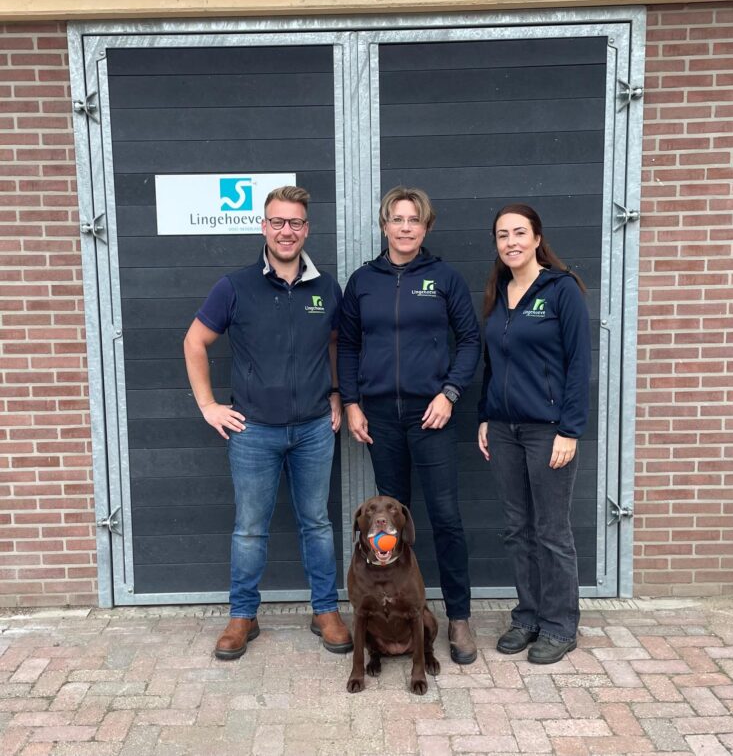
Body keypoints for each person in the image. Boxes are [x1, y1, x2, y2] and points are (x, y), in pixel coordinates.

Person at [183, 185, 352, 660]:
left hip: (314, 428)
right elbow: (194, 342)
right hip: (253, 431)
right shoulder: (235, 286)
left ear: (307, 229)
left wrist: (336, 392)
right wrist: (208, 406)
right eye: (277, 222)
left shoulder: (326, 288)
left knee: (317, 523)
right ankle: (243, 616)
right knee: (250, 528)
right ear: (264, 227)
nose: (286, 231)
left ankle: (325, 610)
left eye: (295, 222)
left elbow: (335, 343)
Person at [338, 186, 481, 664]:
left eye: (414, 220)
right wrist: (352, 402)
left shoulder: (445, 278)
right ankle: (389, 612)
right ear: (384, 225)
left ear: (426, 227)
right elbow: (348, 346)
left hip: (431, 415)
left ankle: (458, 617)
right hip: (380, 418)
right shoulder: (362, 281)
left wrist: (449, 393)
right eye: (397, 219)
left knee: (446, 518)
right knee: (386, 528)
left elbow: (470, 341)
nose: (405, 227)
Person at [477, 203, 590, 665]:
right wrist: (485, 416)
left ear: (537, 238)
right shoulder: (498, 292)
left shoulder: (562, 290)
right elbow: (492, 364)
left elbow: (579, 364)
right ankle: (527, 617)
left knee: (551, 530)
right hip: (504, 430)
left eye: (520, 232)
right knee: (517, 527)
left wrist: (570, 430)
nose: (512, 242)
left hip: (548, 431)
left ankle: (560, 625)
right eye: (503, 235)